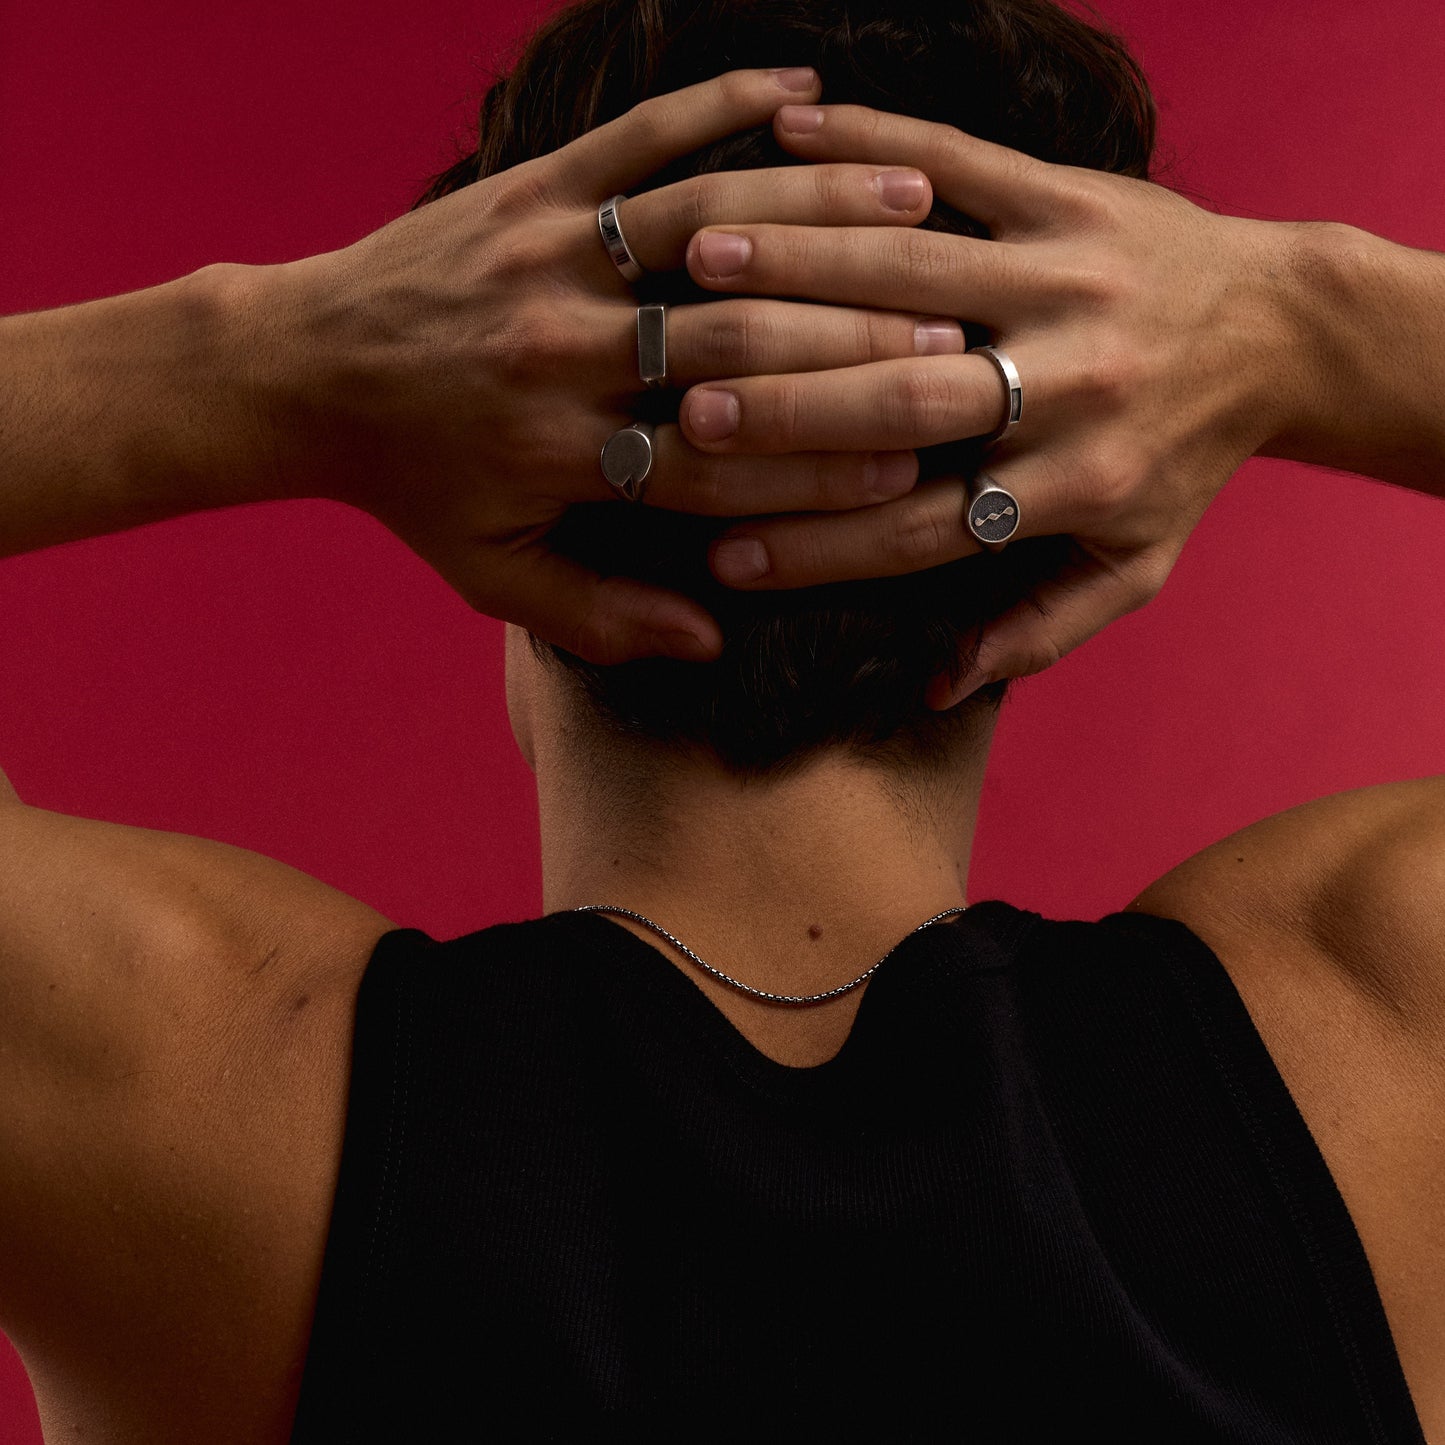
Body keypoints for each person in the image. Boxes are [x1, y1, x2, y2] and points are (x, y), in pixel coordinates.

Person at [1, 1, 1443, 1442]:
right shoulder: (1381, 1040)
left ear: (507, 534)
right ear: (1058, 548)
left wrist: (275, 359)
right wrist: (1302, 318)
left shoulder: (188, 1093)